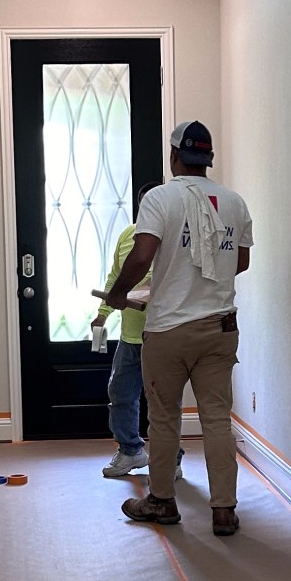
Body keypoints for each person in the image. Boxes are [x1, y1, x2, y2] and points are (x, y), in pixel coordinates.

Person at [101, 120, 253, 537]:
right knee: (217, 418)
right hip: (220, 327)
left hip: (168, 329)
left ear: (174, 155)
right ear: (209, 158)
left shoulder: (160, 199)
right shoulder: (235, 202)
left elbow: (140, 256)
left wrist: (118, 294)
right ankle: (224, 511)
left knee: (165, 418)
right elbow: (241, 262)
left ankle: (162, 501)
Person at [93, 184, 157, 480]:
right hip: (130, 336)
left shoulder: (173, 238)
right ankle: (131, 451)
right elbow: (115, 277)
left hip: (161, 334)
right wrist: (102, 313)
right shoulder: (128, 235)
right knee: (120, 394)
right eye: (145, 205)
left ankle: (171, 459)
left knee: (162, 403)